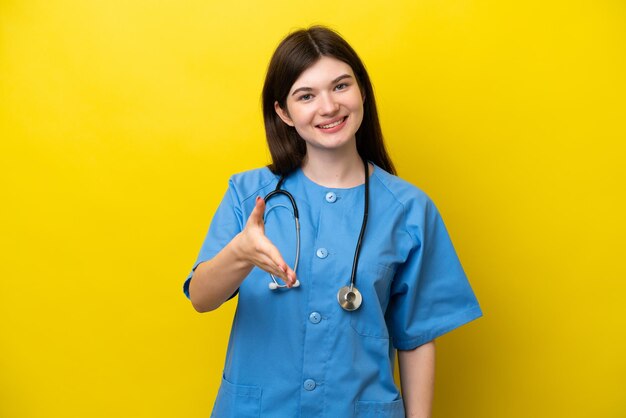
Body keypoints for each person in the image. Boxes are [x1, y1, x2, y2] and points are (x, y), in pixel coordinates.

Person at [183, 25, 482, 418]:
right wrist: (240, 252)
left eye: (341, 86)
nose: (328, 107)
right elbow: (202, 299)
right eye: (306, 96)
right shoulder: (248, 193)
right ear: (284, 113)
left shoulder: (410, 209)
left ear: (362, 91)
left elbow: (417, 337)